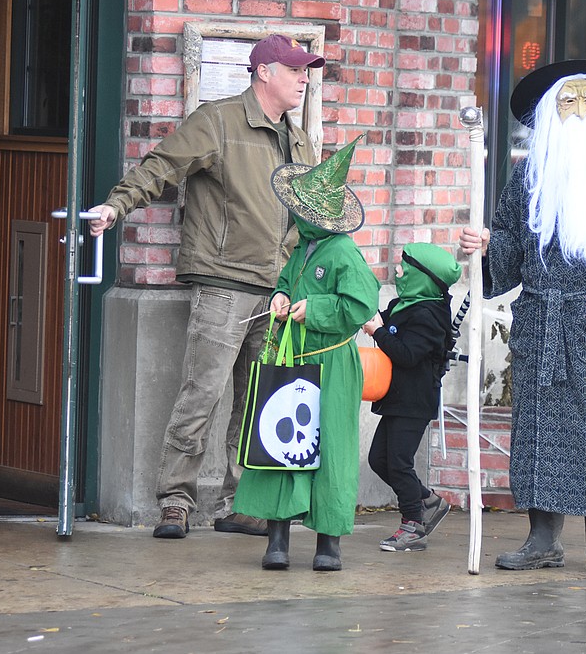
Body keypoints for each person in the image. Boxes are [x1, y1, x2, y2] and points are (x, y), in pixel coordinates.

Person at [88, 34, 324, 539]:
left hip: (278, 290)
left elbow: (310, 216)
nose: (304, 78)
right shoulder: (217, 121)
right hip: (225, 282)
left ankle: (243, 503)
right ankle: (176, 500)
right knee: (203, 393)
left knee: (259, 400)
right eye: (295, 69)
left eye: (306, 71)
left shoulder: (300, 139)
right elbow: (162, 166)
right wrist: (117, 205)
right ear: (264, 72)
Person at [458, 59, 586, 577]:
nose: (576, 111)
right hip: (541, 320)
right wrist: (486, 245)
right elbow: (507, 238)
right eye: (566, 101)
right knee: (538, 431)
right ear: (550, 111)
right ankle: (542, 540)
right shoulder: (529, 176)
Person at [234, 135, 380, 571]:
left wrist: (311, 309)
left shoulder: (344, 252)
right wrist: (280, 298)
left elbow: (361, 305)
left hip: (332, 360)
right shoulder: (301, 248)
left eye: (301, 209)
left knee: (330, 447)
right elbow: (286, 283)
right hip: (291, 356)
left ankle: (328, 543)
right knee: (280, 441)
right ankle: (276, 539)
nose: (294, 214)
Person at [364, 242, 462, 552]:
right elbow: (382, 320)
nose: (397, 271)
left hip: (414, 400)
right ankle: (429, 500)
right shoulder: (403, 304)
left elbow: (407, 355)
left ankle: (413, 524)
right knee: (379, 459)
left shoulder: (430, 316)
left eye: (404, 267)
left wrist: (380, 333)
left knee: (399, 463)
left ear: (422, 276)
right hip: (395, 397)